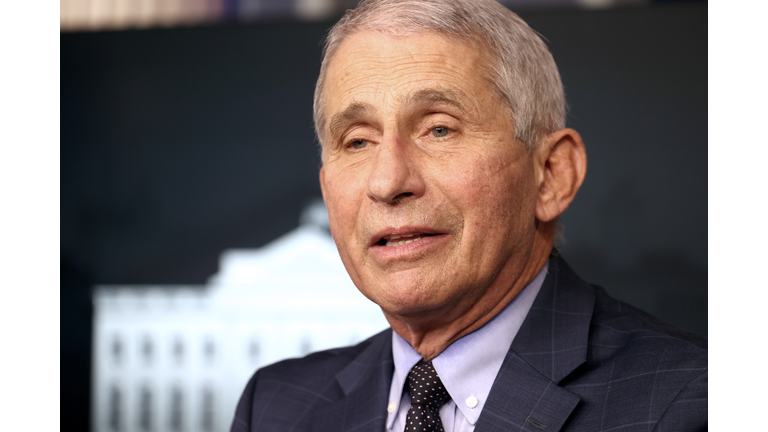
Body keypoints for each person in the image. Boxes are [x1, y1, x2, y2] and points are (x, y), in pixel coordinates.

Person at [231, 0, 707, 431]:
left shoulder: (693, 403)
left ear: (551, 175)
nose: (387, 182)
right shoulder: (275, 407)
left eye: (439, 129)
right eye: (358, 140)